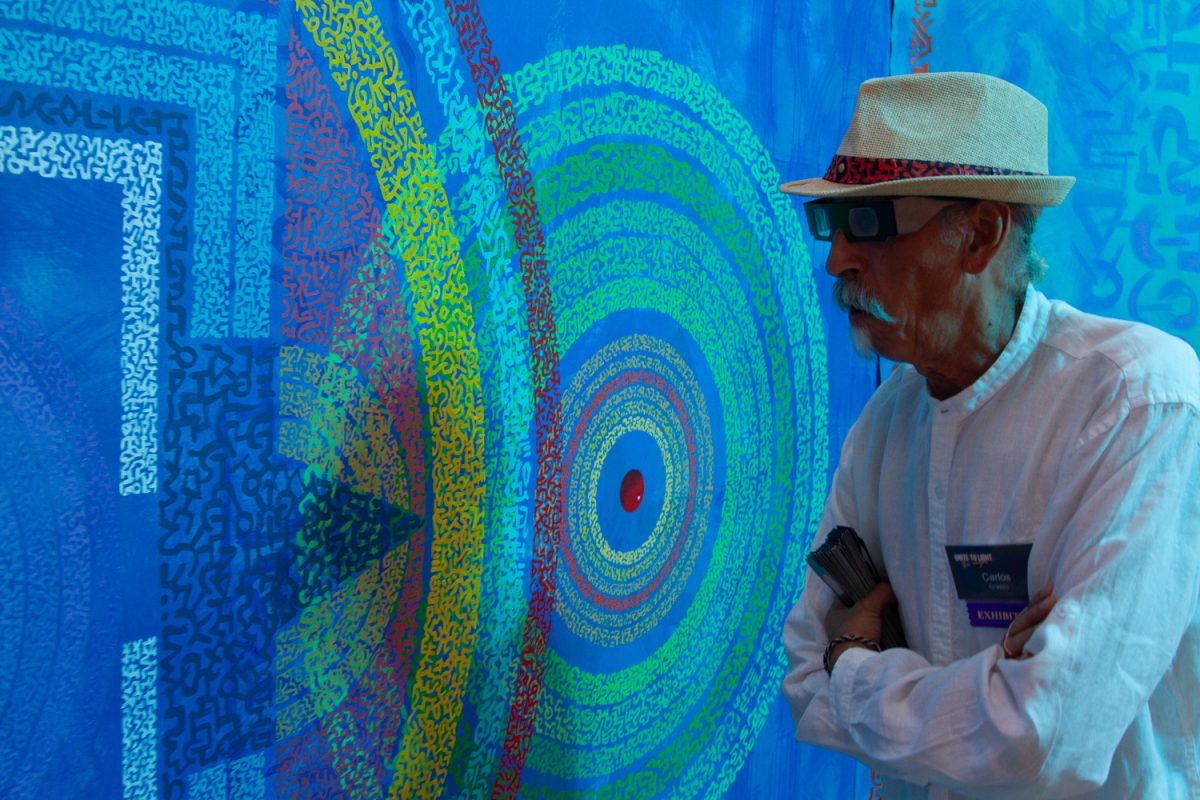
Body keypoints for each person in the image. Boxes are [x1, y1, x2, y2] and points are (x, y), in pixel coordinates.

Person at [778, 71, 1200, 799]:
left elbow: (1044, 737)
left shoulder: (1137, 401)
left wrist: (859, 665)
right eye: (830, 222)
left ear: (979, 236)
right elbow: (805, 678)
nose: (837, 261)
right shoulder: (884, 428)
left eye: (872, 224)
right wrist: (986, 682)